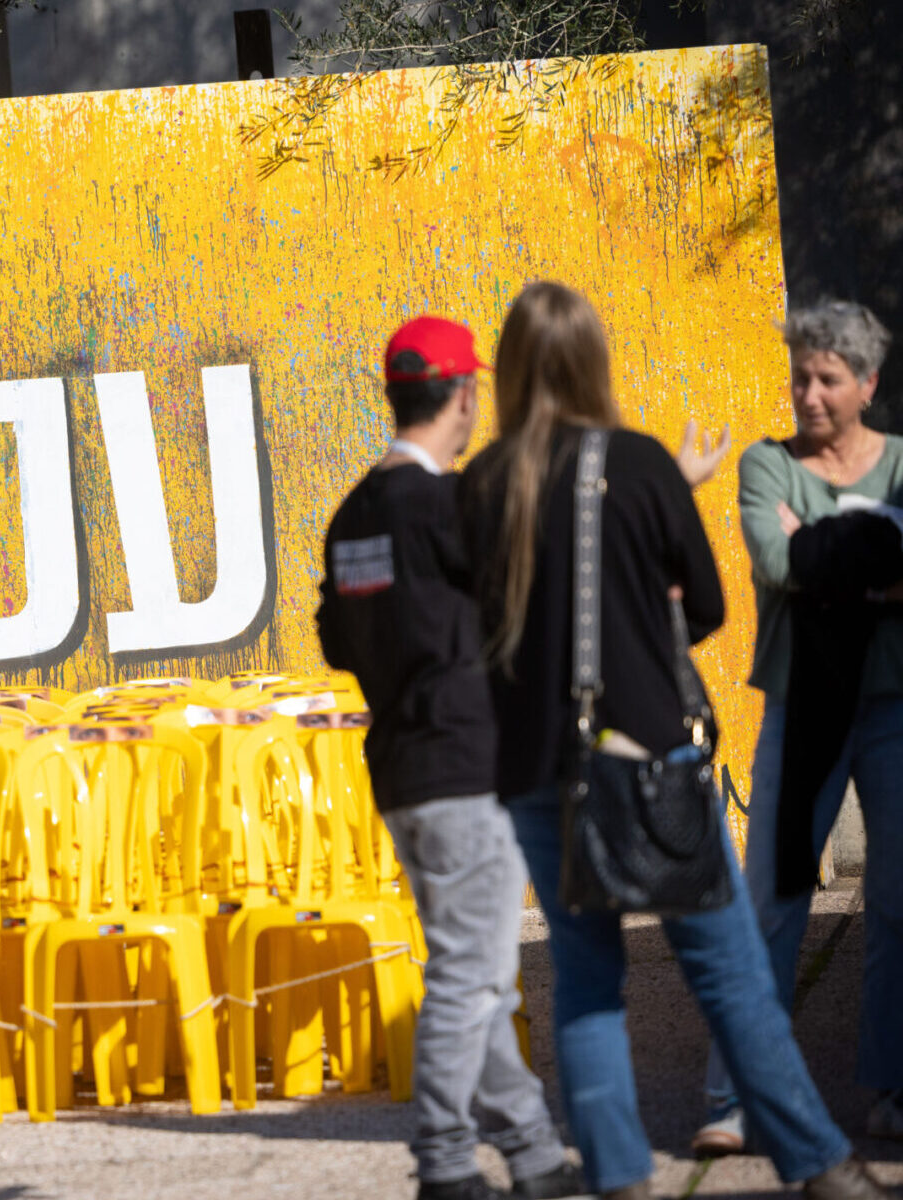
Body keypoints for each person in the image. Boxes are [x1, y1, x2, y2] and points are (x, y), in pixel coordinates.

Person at [457, 281, 894, 1200]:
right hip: (649, 757)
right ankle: (820, 1166)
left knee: (585, 985)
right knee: (731, 979)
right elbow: (706, 606)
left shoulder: (484, 485)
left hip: (536, 771)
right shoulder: (641, 464)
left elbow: (477, 638)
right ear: (592, 363)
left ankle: (619, 1179)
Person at [316, 315, 584, 1200]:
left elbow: (335, 639)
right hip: (467, 766)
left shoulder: (354, 511)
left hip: (401, 768)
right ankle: (441, 1159)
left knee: (481, 977)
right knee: (471, 979)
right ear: (465, 395)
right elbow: (524, 607)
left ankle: (536, 1153)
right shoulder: (450, 503)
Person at [693, 301, 903, 1156]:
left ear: (866, 384)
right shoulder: (766, 465)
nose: (808, 393)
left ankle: (894, 1094)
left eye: (827, 378)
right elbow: (779, 566)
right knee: (772, 902)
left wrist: (827, 553)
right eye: (800, 375)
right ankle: (737, 1101)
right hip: (801, 707)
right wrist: (888, 554)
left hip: (902, 713)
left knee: (899, 907)